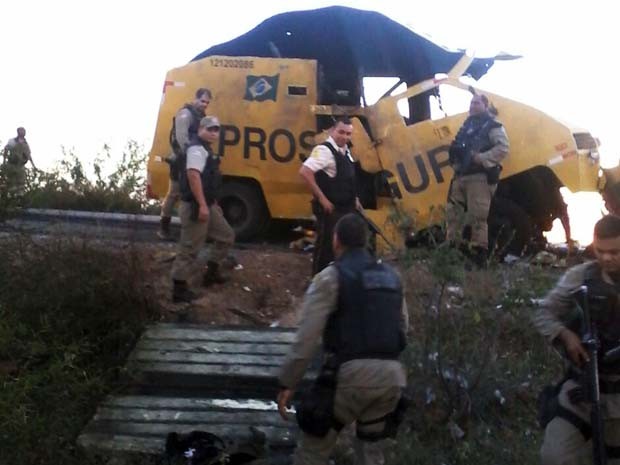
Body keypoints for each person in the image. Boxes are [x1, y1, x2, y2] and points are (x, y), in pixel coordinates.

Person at [276, 213, 408, 465]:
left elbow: (307, 339)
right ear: (366, 241)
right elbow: (403, 329)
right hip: (392, 378)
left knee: (312, 450)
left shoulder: (330, 278)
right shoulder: (393, 277)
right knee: (371, 453)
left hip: (348, 376)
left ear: (336, 240)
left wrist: (288, 382)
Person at [533, 214, 620, 465]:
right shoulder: (582, 276)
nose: (606, 258)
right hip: (582, 389)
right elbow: (543, 312)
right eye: (601, 251)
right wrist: (566, 334)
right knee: (555, 456)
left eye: (614, 251)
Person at [170, 116, 235, 303]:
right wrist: (203, 205)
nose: (214, 133)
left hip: (206, 203)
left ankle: (211, 274)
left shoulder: (205, 148)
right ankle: (179, 289)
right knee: (190, 246)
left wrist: (212, 203)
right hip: (195, 206)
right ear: (201, 129)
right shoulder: (197, 148)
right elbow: (193, 175)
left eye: (216, 130)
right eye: (210, 129)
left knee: (226, 236)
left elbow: (208, 180)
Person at [447, 94, 510, 266]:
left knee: (477, 217)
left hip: (479, 177)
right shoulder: (468, 125)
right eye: (471, 103)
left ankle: (478, 256)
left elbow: (503, 148)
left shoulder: (492, 125)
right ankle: (453, 252)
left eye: (476, 103)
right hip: (461, 176)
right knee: (453, 215)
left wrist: (482, 158)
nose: (473, 106)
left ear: (485, 105)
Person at [300, 116, 361, 275]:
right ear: (333, 131)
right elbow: (305, 172)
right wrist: (322, 198)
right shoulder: (324, 151)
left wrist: (355, 198)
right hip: (330, 209)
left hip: (345, 208)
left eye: (348, 134)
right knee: (326, 248)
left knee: (344, 247)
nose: (345, 137)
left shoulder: (346, 151)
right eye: (341, 132)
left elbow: (348, 178)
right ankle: (317, 280)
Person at [158, 88, 212, 240]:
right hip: (180, 159)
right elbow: (181, 139)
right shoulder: (186, 114)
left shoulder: (199, 116)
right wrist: (191, 156)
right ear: (196, 98)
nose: (204, 105)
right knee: (174, 193)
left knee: (188, 194)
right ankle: (164, 228)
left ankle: (186, 231)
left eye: (207, 102)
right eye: (202, 101)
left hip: (191, 160)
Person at [2, 127, 36, 196]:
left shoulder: (25, 143)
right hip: (12, 165)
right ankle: (10, 198)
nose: (23, 132)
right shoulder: (13, 141)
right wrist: (4, 162)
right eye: (22, 131)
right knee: (12, 183)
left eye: (24, 131)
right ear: (18, 132)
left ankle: (19, 199)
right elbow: (6, 150)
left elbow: (28, 155)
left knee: (21, 184)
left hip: (21, 166)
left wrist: (33, 166)